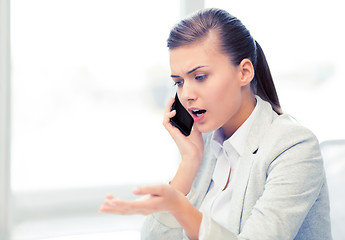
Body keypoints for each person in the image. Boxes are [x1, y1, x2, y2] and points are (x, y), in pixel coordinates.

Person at [99, 8, 332, 240]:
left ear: (244, 72)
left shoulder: (294, 147)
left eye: (200, 77)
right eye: (179, 82)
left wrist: (181, 208)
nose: (186, 94)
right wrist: (189, 163)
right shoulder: (205, 142)